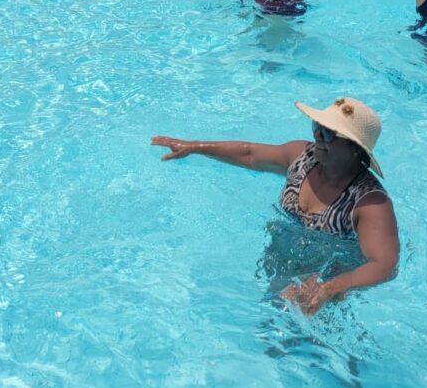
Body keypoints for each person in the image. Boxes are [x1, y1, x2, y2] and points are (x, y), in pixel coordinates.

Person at [151, 96, 398, 316]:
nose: (317, 136)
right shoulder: (302, 157)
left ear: (355, 149)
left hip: (321, 281)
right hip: (282, 261)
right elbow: (250, 154)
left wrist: (332, 287)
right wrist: (194, 147)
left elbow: (384, 265)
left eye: (329, 133)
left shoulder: (370, 203)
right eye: (317, 127)